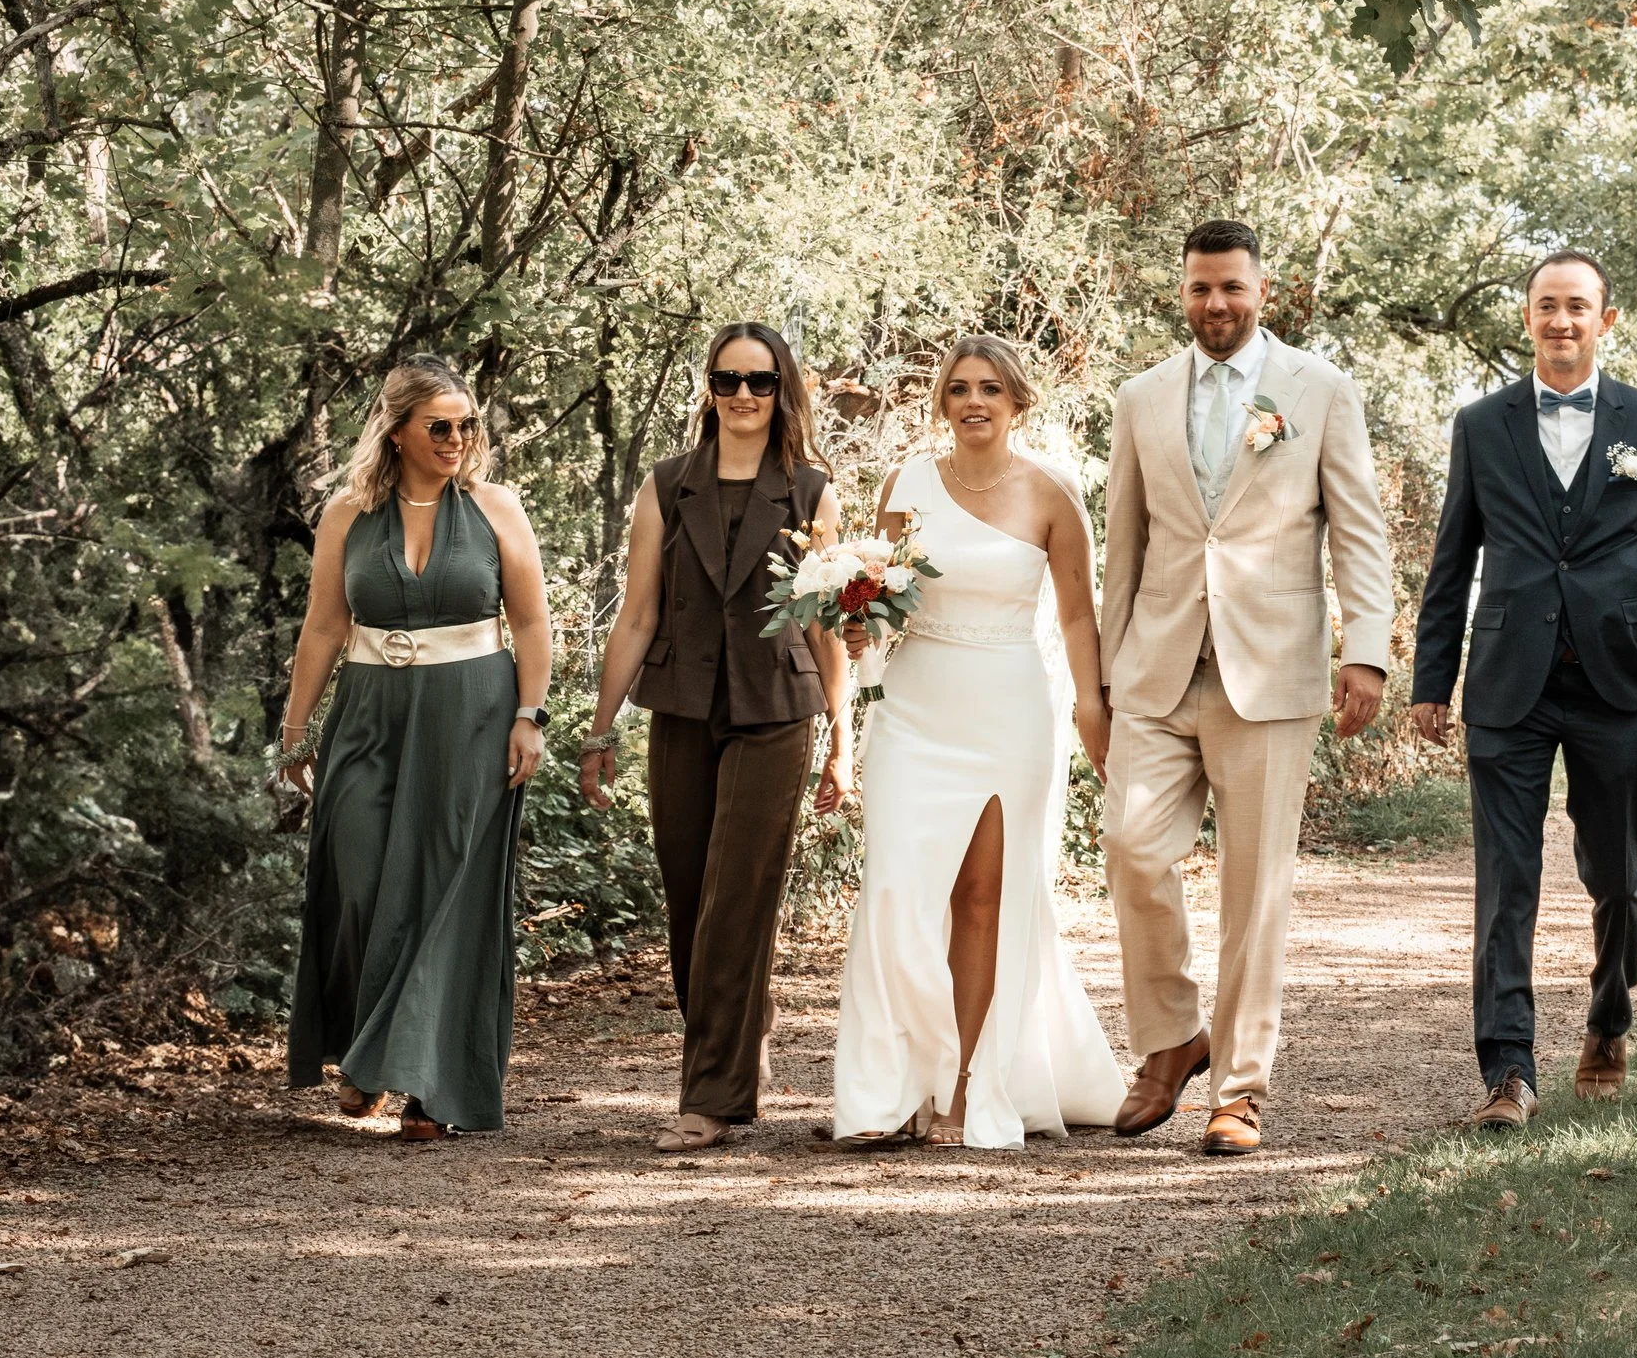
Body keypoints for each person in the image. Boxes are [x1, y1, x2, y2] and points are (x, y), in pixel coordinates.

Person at [1098, 219, 1396, 1156]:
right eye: (1199, 289)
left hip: (1270, 670)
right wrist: (1102, 678)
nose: (1215, 304)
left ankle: (1239, 1087)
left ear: (1262, 290)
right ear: (1181, 293)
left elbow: (1357, 529)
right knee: (1131, 849)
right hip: (1157, 665)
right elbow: (1125, 544)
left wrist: (1369, 649)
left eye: (1231, 288)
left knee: (1254, 886)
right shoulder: (1141, 397)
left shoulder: (1319, 390)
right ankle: (1171, 1039)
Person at [1410, 253, 1637, 1125]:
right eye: (1547, 306)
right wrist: (1433, 679)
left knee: (1619, 876)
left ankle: (1610, 1017)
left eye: (1578, 307)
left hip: (1618, 685)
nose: (1562, 320)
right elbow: (1452, 561)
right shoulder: (1481, 424)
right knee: (1507, 881)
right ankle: (1509, 1070)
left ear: (1606, 320)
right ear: (1526, 319)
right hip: (1508, 685)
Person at [830, 335, 1126, 1149]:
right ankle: (885, 1094)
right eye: (958, 388)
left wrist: (1092, 712)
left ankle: (966, 1089)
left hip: (1007, 707)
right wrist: (857, 633)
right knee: (895, 889)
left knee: (984, 898)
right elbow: (882, 598)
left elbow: (1076, 617)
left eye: (990, 388)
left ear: (1017, 402)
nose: (973, 402)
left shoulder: (1053, 494)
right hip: (913, 708)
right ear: (941, 401)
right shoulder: (907, 485)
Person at [579, 324, 851, 1153]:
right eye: (727, 380)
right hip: (684, 705)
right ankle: (741, 1037)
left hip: (775, 708)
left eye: (760, 382)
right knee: (692, 893)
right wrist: (600, 730)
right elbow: (638, 613)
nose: (742, 395)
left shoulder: (811, 493)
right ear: (708, 388)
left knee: (738, 895)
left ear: (782, 391)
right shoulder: (666, 487)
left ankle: (710, 1095)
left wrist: (844, 737)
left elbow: (826, 628)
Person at [280, 357, 553, 1140]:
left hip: (472, 714)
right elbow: (325, 627)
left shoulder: (497, 508)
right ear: (396, 430)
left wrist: (530, 715)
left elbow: (531, 624)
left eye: (469, 425)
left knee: (445, 895)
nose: (459, 439)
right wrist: (296, 730)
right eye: (441, 426)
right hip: (369, 712)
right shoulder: (346, 515)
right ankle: (370, 1052)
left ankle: (425, 1087)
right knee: (360, 881)